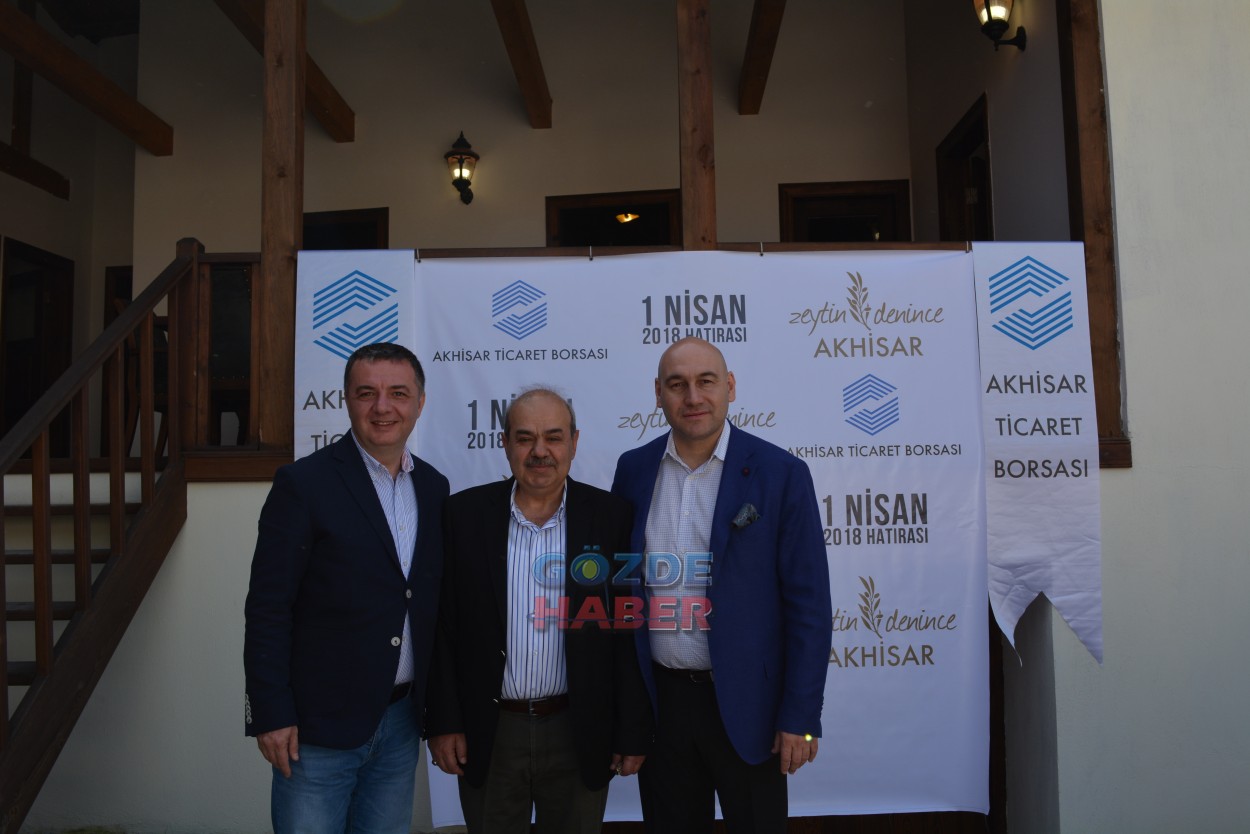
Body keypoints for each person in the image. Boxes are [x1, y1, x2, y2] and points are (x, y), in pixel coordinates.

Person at [610, 337, 833, 834]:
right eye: (677, 385)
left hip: (752, 709)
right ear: (658, 394)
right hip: (663, 708)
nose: (693, 397)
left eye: (706, 381)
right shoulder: (634, 469)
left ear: (730, 386)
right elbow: (623, 595)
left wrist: (800, 716)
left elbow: (809, 606)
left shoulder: (781, 473)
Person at [426, 387, 653, 834]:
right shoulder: (462, 515)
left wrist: (632, 728)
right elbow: (443, 628)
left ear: (574, 441)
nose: (540, 451)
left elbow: (626, 631)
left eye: (553, 437)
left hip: (579, 728)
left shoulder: (611, 517)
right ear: (505, 443)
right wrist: (443, 721)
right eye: (525, 438)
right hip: (489, 731)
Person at [244, 342, 449, 834]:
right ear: (346, 400)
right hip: (317, 729)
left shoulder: (434, 488)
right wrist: (270, 712)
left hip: (401, 724)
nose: (383, 407)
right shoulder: (303, 484)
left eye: (398, 393)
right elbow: (269, 606)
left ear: (420, 402)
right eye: (366, 393)